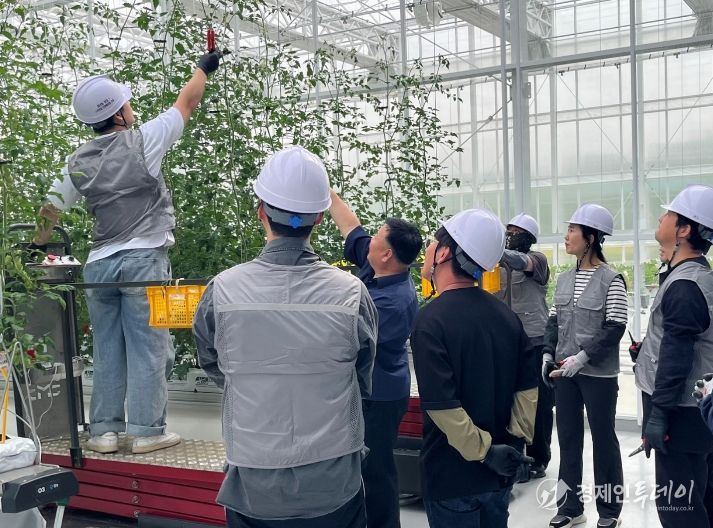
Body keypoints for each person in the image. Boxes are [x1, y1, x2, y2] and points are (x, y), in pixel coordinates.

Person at [33, 51, 223, 454]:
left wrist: (37, 245)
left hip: (99, 265)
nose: (131, 107)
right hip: (144, 260)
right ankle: (147, 432)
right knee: (149, 347)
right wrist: (203, 69)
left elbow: (49, 210)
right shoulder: (144, 141)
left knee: (107, 349)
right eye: (127, 102)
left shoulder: (77, 161)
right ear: (118, 113)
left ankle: (103, 432)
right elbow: (186, 103)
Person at [192, 146, 378, 528]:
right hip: (333, 484)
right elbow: (362, 377)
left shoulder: (222, 291)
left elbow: (214, 364)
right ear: (320, 218)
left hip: (253, 484)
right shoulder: (351, 294)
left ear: (261, 210)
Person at [411, 208, 537, 528]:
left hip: (452, 476)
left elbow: (442, 405)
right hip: (499, 476)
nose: (427, 249)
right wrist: (513, 444)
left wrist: (484, 451)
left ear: (443, 253)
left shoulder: (430, 321)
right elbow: (527, 389)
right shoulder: (506, 316)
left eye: (432, 242)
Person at [329, 191, 422, 528]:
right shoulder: (379, 267)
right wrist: (325, 193)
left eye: (377, 236)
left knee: (376, 468)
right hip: (371, 389)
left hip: (380, 395)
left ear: (387, 254)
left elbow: (348, 343)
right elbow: (350, 226)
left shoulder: (392, 302)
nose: (369, 238)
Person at [543, 203, 628, 528]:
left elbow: (615, 326)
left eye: (572, 231)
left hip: (598, 374)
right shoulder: (564, 279)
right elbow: (554, 321)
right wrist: (547, 354)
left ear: (590, 238)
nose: (566, 237)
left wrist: (582, 358)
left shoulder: (612, 279)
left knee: (604, 439)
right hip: (564, 373)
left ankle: (609, 511)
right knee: (568, 438)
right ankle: (569, 507)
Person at [634, 184, 713, 528]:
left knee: (678, 506)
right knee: (701, 497)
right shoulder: (694, 276)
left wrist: (659, 416)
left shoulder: (685, 286)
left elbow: (678, 355)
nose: (661, 217)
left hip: (681, 414)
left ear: (684, 229)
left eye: (669, 214)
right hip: (695, 410)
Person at [499, 213, 551, 480]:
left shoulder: (538, 260)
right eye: (507, 230)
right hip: (506, 342)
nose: (510, 234)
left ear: (529, 237)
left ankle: (538, 458)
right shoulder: (495, 267)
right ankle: (514, 456)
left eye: (515, 231)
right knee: (509, 402)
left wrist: (493, 248)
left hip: (534, 341)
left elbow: (521, 262)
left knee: (538, 404)